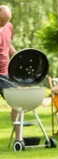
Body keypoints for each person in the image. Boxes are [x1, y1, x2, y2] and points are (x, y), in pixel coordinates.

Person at [0, 5, 18, 140]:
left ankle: (19, 138)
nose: (4, 24)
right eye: (1, 21)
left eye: (7, 20)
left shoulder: (9, 27)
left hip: (5, 74)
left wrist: (17, 56)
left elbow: (7, 44)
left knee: (17, 102)